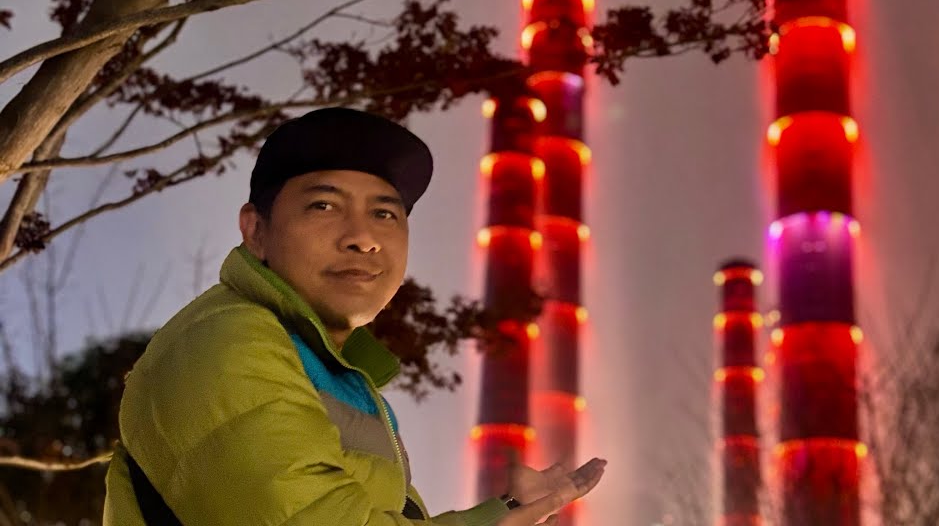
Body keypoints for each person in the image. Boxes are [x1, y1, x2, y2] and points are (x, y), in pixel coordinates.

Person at [103, 107, 605, 525]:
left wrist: (506, 511)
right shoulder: (228, 343)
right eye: (324, 206)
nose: (362, 237)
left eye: (384, 213)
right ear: (256, 232)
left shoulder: (333, 371)